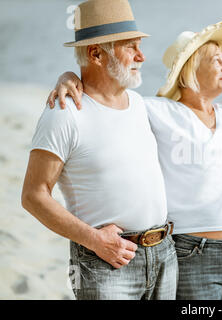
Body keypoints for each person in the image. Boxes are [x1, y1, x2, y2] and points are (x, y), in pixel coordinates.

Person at [48, 21, 222, 299]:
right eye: (217, 61)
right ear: (191, 68)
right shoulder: (154, 110)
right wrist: (68, 77)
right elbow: (103, 95)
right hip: (192, 252)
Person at [22, 0, 177, 300]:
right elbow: (33, 195)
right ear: (96, 53)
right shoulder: (63, 114)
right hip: (105, 262)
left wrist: (67, 74)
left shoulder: (141, 105)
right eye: (130, 47)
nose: (142, 56)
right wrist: (94, 240)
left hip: (163, 256)